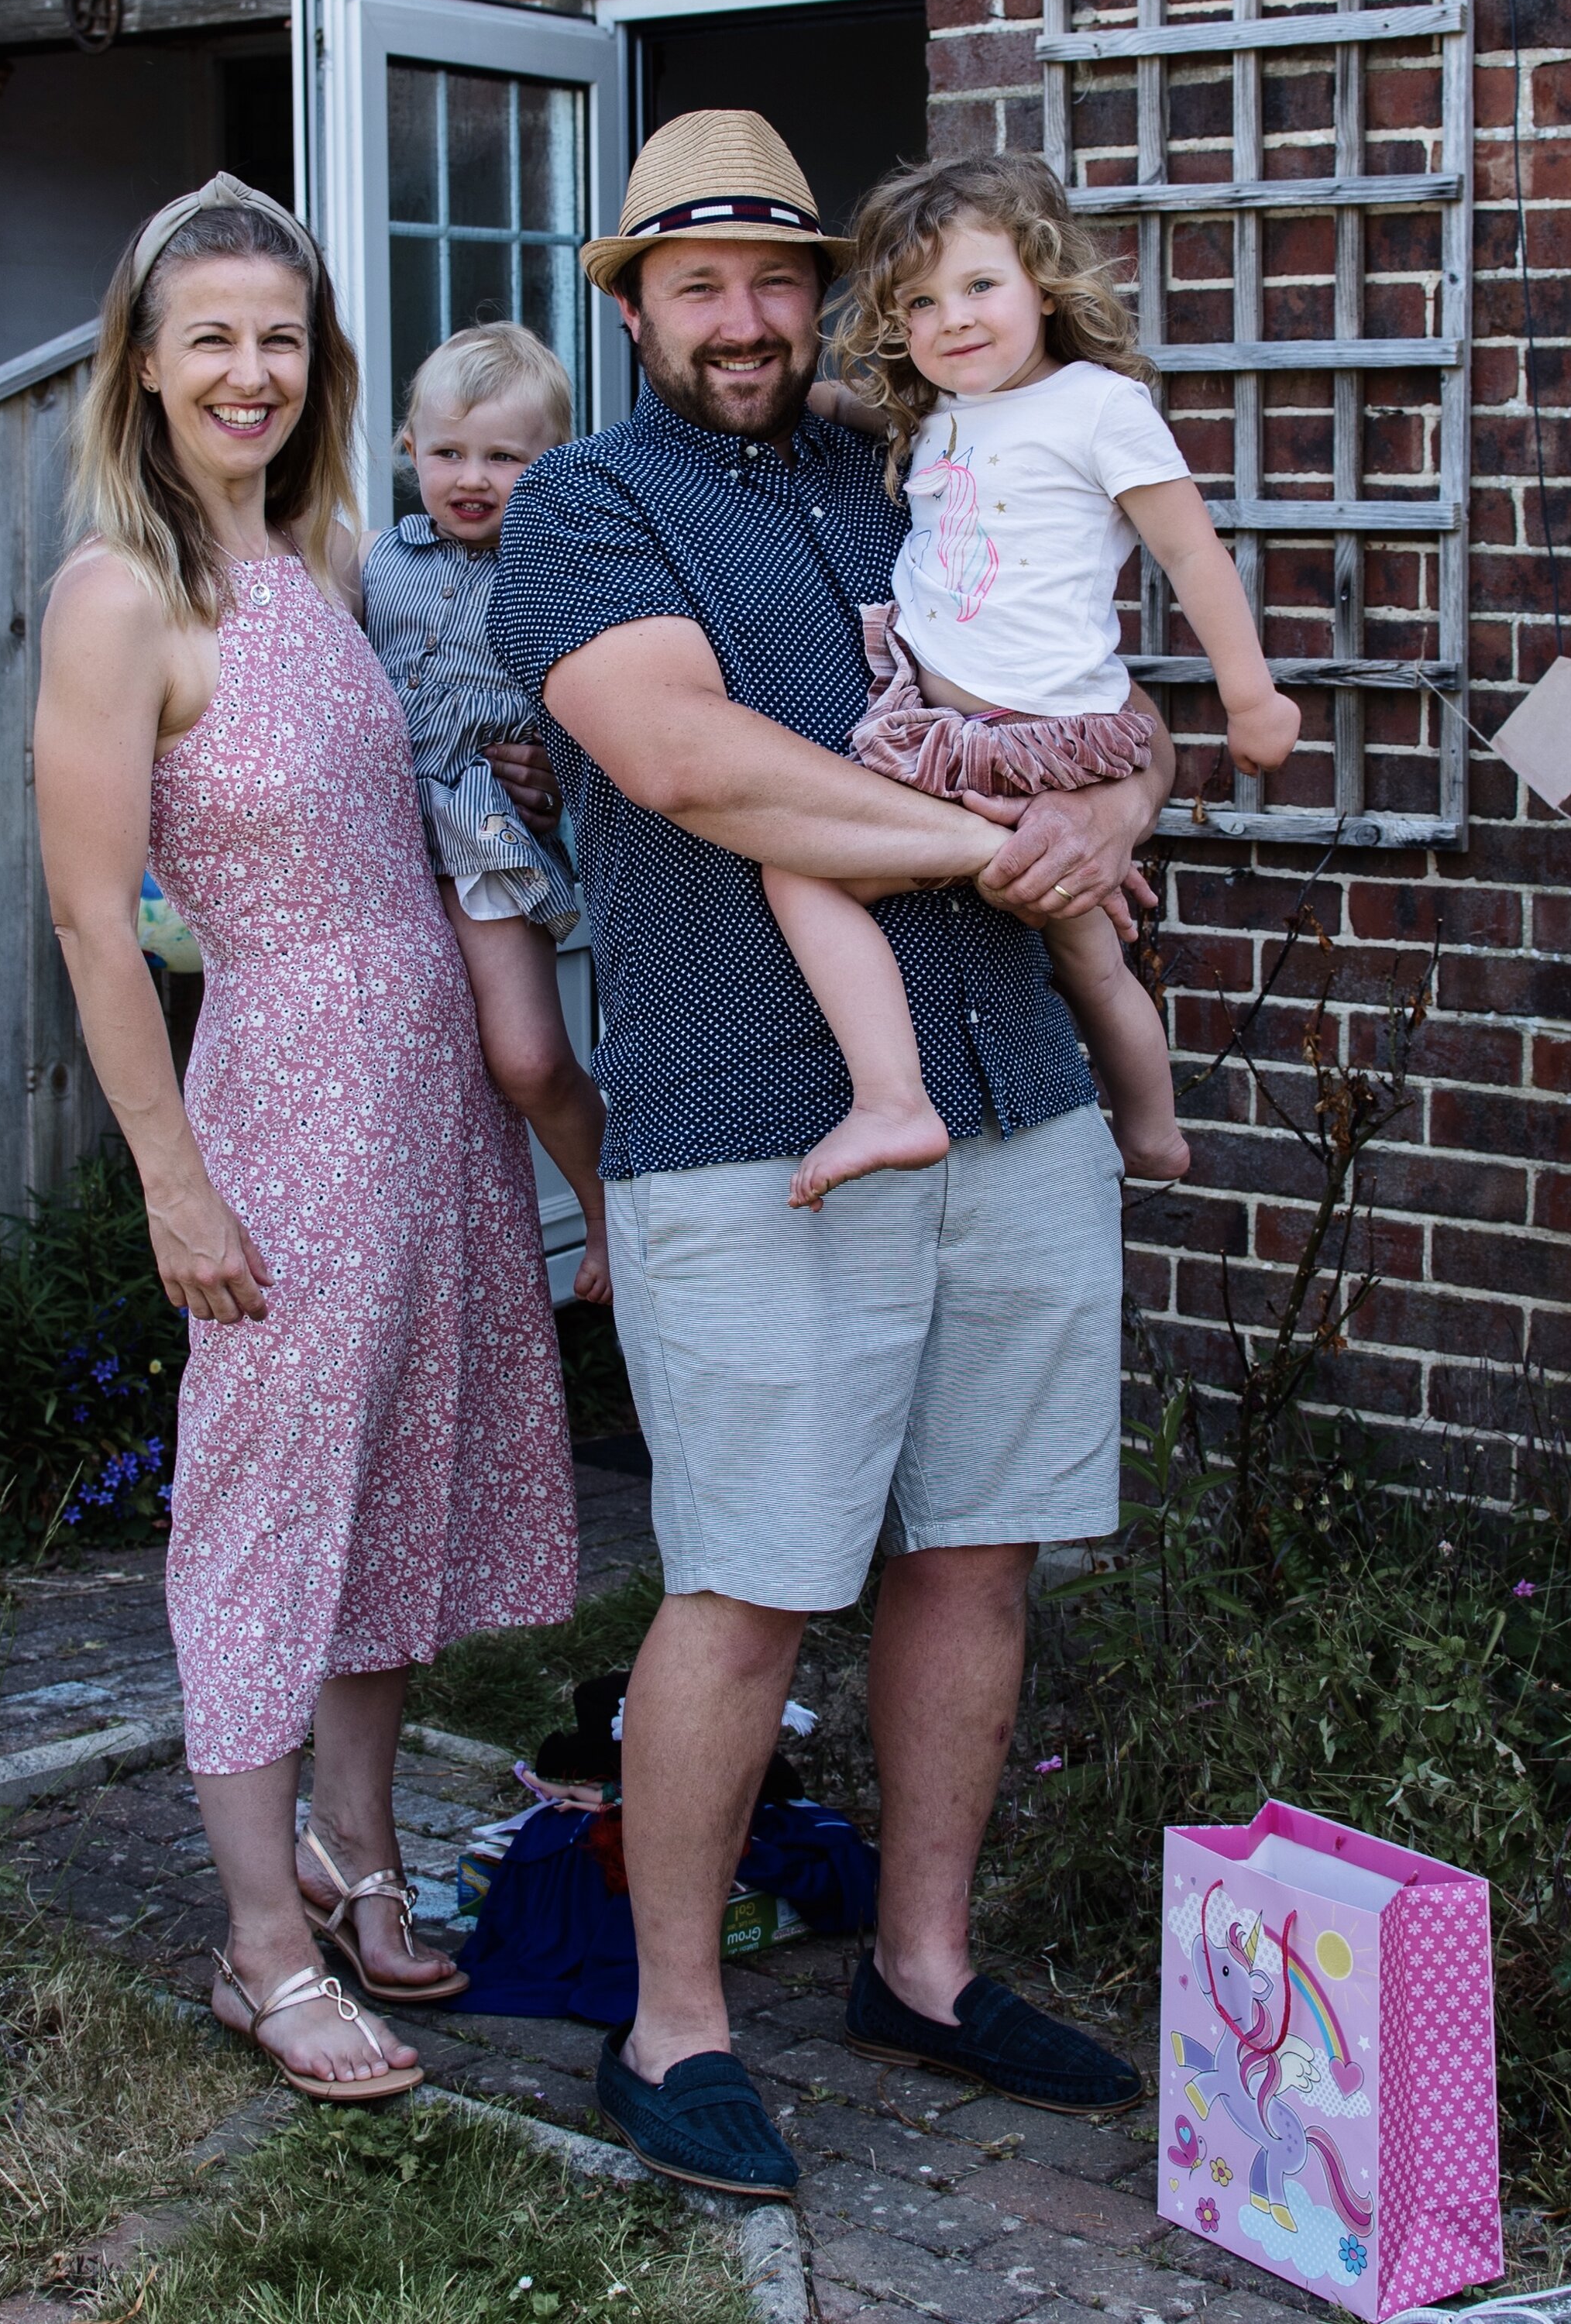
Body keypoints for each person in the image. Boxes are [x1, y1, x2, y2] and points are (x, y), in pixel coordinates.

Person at [490, 110, 1176, 2202]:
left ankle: (924, 1962)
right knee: (756, 1574)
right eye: (695, 282)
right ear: (633, 306)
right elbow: (687, 760)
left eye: (778, 276)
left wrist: (1114, 809)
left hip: (1013, 1094)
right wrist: (997, 840)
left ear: (830, 293)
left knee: (976, 1549)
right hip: (752, 1128)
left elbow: (1103, 703)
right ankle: (675, 2018)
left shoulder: (933, 472)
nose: (744, 316)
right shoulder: (585, 509)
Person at [35, 174, 577, 2105]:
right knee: (266, 1510)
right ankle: (260, 1941)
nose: (249, 369)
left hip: (426, 1078)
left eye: (279, 336)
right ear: (147, 367)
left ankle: (356, 1845)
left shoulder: (326, 556)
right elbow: (101, 919)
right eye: (212, 339)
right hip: (280, 1092)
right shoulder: (122, 592)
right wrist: (175, 1173)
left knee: (398, 1479)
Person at [768, 153, 1302, 1207]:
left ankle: (910, 1100)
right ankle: (1141, 1136)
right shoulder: (942, 416)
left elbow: (1192, 554)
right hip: (951, 736)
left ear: (1045, 282)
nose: (953, 319)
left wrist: (1250, 694)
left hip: (1043, 736)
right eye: (920, 302)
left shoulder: (1101, 407)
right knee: (1085, 945)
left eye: (979, 286)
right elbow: (913, 427)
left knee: (808, 867)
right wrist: (824, 397)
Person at [363, 324, 611, 1305]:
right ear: (408, 449)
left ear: (551, 462)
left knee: (527, 1055)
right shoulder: (376, 562)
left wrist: (555, 763)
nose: (472, 477)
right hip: (374, 841)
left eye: (505, 457)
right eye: (447, 452)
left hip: (482, 833)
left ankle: (604, 1209)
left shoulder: (559, 572)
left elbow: (604, 712)